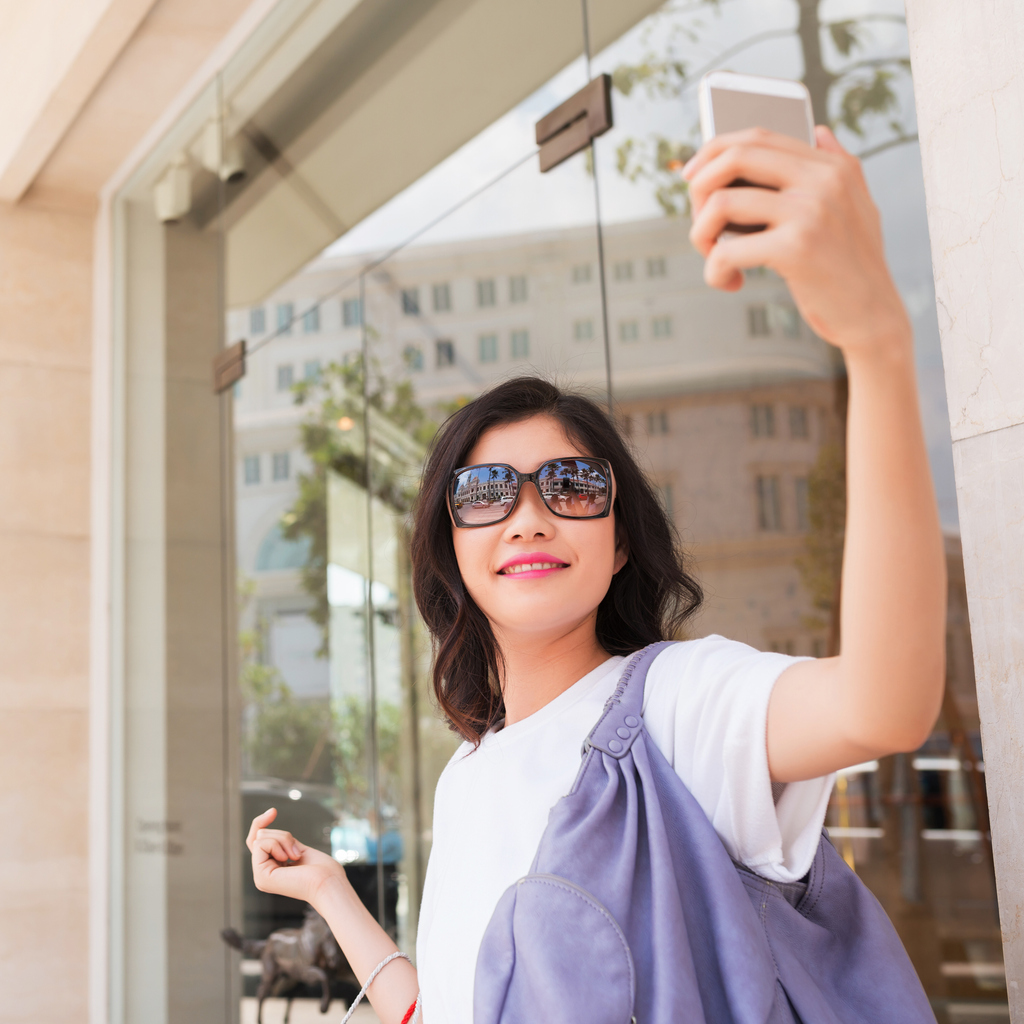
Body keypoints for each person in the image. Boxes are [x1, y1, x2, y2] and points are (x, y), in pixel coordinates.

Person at [244, 125, 946, 1024]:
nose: (529, 513)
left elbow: (885, 702)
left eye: (572, 485)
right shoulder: (466, 777)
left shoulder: (675, 706)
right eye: (488, 492)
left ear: (619, 543)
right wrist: (335, 895)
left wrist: (877, 341)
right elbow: (453, 1009)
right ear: (451, 549)